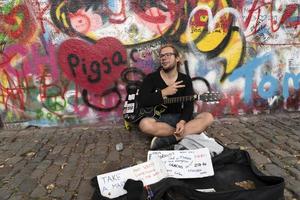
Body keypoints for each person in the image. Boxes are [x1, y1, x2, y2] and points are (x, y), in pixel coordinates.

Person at [138, 44, 214, 150]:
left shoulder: (185, 79)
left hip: (179, 116)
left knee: (208, 117)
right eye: (162, 56)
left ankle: (170, 138)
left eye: (168, 55)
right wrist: (164, 92)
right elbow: (142, 100)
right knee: (144, 124)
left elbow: (188, 105)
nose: (164, 58)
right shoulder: (151, 78)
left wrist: (182, 121)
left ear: (177, 58)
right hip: (160, 119)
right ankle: (189, 132)